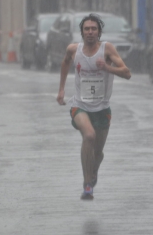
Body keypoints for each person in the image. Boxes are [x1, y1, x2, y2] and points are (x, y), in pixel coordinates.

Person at [56, 13, 131, 200]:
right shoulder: (73, 50)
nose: (90, 32)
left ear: (99, 32)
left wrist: (107, 68)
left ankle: (93, 171)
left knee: (97, 152)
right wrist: (61, 90)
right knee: (88, 135)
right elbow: (65, 63)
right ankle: (87, 184)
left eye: (94, 29)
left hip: (102, 108)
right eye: (87, 29)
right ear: (82, 32)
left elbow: (127, 73)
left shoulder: (107, 49)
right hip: (80, 106)